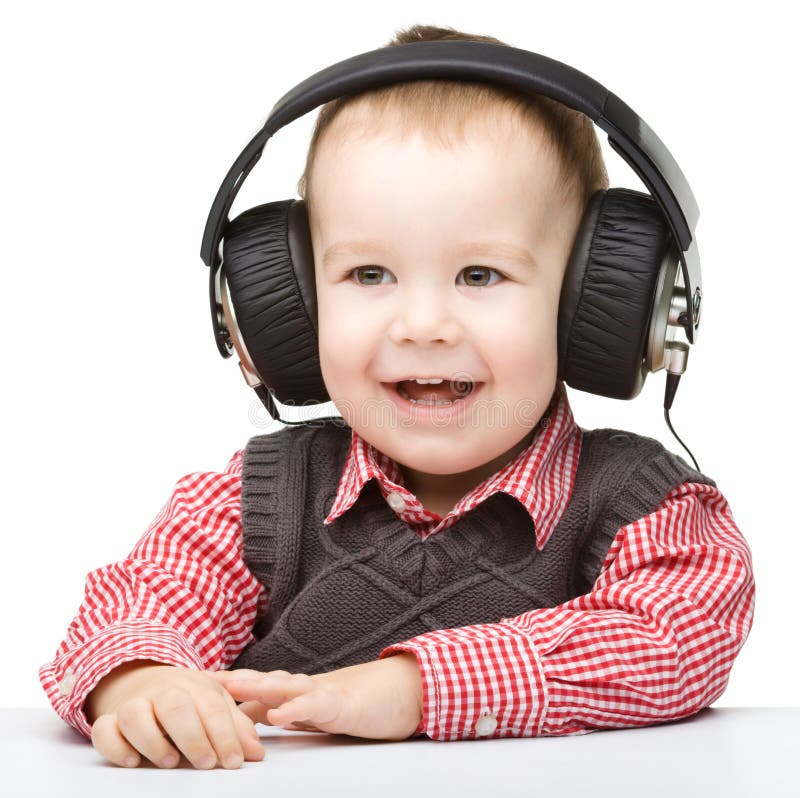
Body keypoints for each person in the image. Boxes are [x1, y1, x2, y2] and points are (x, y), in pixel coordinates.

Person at [39, 23, 756, 771]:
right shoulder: (250, 503)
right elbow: (140, 604)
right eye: (369, 275)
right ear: (287, 305)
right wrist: (141, 683)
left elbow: (680, 635)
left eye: (480, 275)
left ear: (595, 307)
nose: (421, 326)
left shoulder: (643, 506)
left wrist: (414, 688)